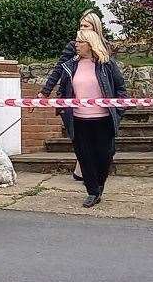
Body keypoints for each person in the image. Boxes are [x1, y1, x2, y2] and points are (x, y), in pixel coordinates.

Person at [46, 25, 126, 207]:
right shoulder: (70, 66)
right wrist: (62, 108)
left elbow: (121, 89)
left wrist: (119, 111)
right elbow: (63, 90)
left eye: (80, 41)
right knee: (84, 156)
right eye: (76, 41)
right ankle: (92, 191)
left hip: (103, 119)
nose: (76, 45)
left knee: (105, 155)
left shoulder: (106, 64)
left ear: (90, 44)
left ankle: (99, 185)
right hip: (79, 120)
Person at [45, 11, 107, 182]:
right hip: (73, 101)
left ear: (95, 28)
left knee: (98, 141)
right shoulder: (73, 47)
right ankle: (84, 170)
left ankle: (87, 170)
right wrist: (44, 92)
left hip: (99, 105)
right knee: (80, 140)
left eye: (86, 26)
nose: (82, 29)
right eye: (81, 26)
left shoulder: (104, 48)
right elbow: (58, 70)